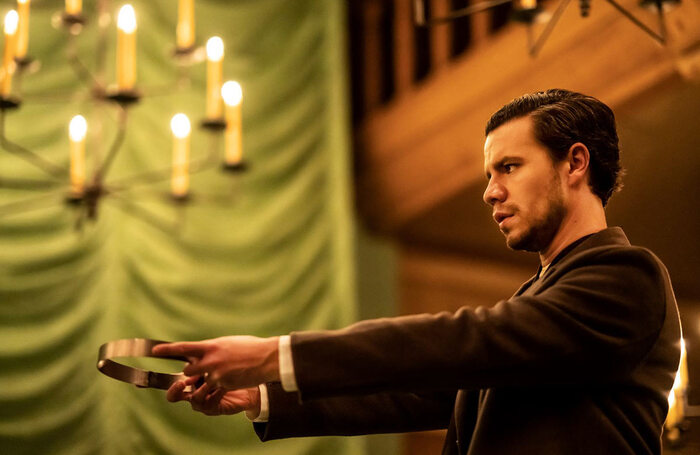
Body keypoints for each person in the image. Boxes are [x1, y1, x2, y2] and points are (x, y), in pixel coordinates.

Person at [154, 89, 681, 455]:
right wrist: (262, 394)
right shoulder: (545, 296)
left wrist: (274, 353)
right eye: (488, 173)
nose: (490, 190)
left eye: (510, 167)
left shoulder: (625, 277)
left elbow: (469, 342)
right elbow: (426, 392)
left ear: (575, 163)